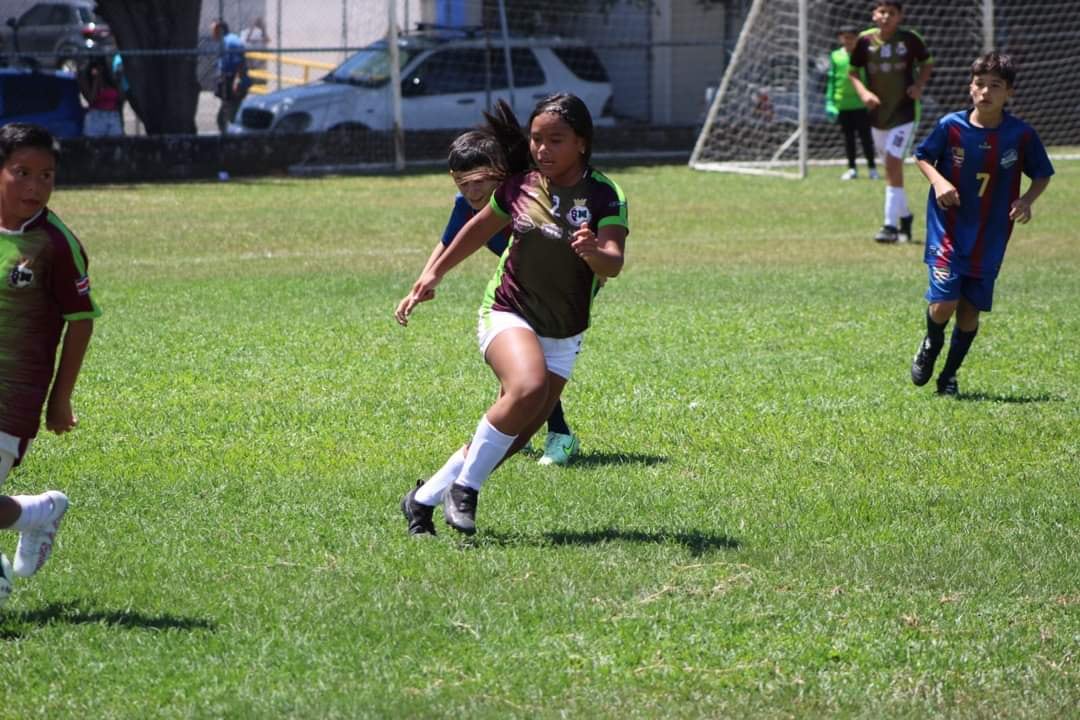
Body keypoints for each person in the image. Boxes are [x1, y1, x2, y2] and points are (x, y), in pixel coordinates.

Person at [397, 93, 628, 536]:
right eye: (536, 139)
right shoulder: (521, 187)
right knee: (527, 386)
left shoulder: (604, 193)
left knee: (515, 432)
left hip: (565, 330)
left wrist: (594, 251)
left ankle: (422, 499)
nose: (542, 149)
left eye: (555, 140)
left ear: (581, 142)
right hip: (508, 311)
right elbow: (472, 230)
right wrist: (432, 277)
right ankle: (466, 491)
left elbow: (613, 263)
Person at [395, 104, 583, 467]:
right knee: (522, 371)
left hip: (561, 290)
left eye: (478, 181)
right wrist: (423, 281)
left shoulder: (529, 198)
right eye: (462, 184)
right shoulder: (466, 205)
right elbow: (449, 241)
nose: (471, 191)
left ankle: (558, 434)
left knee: (531, 372)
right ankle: (521, 433)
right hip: (519, 288)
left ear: (499, 175)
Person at [909, 52, 1053, 396]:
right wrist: (939, 182)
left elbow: (1042, 174)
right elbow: (922, 156)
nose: (985, 92)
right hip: (949, 227)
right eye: (979, 84)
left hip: (991, 235)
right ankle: (931, 341)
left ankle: (949, 377)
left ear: (1009, 94)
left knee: (970, 312)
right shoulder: (951, 126)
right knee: (944, 304)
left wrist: (1026, 201)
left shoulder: (1020, 135)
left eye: (995, 86)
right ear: (970, 88)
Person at [0, 123, 101, 595]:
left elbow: (81, 319)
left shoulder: (56, 244)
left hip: (14, 396)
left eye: (46, 175)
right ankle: (37, 513)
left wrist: (60, 400)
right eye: (22, 172)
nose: (35, 186)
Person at [848, 1, 933, 243]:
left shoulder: (909, 40)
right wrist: (864, 93)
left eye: (891, 13)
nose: (886, 16)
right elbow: (853, 71)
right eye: (881, 11)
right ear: (874, 15)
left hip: (904, 113)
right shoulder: (864, 41)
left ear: (900, 17)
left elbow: (927, 63)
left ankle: (889, 226)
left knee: (893, 162)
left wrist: (918, 86)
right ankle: (905, 216)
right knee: (890, 167)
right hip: (877, 115)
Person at [826, 25, 878, 181]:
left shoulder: (863, 55)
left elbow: (870, 78)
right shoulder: (835, 56)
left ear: (857, 39)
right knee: (848, 138)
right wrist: (830, 101)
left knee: (866, 137)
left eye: (851, 37)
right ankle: (852, 169)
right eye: (845, 37)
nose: (848, 41)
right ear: (840, 38)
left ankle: (872, 168)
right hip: (843, 104)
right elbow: (832, 79)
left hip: (861, 104)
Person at [210, 20, 251, 133]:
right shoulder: (226, 41)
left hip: (234, 82)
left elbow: (240, 63)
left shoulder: (231, 42)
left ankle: (236, 140)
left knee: (230, 117)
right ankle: (230, 139)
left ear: (221, 30)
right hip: (228, 81)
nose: (212, 34)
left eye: (214, 30)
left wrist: (237, 81)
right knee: (225, 117)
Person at [78, 55, 124, 137]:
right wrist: (96, 80)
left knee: (115, 145)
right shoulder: (87, 79)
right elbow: (91, 99)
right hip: (96, 118)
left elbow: (119, 98)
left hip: (113, 117)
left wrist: (119, 80)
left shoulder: (110, 80)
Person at [239, 17, 269, 81]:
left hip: (252, 51)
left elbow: (267, 40)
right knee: (248, 67)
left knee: (254, 66)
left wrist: (262, 28)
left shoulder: (259, 32)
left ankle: (253, 79)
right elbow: (247, 40)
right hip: (245, 51)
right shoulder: (246, 32)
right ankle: (249, 79)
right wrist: (253, 26)